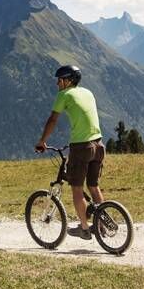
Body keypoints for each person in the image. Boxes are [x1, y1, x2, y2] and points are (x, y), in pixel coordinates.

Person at [35, 65, 105, 240]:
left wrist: (42, 141)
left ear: (69, 80)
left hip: (81, 147)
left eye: (60, 80)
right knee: (94, 186)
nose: (57, 83)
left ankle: (84, 228)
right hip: (98, 144)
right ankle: (102, 224)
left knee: (76, 189)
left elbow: (52, 120)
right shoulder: (88, 92)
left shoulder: (64, 95)